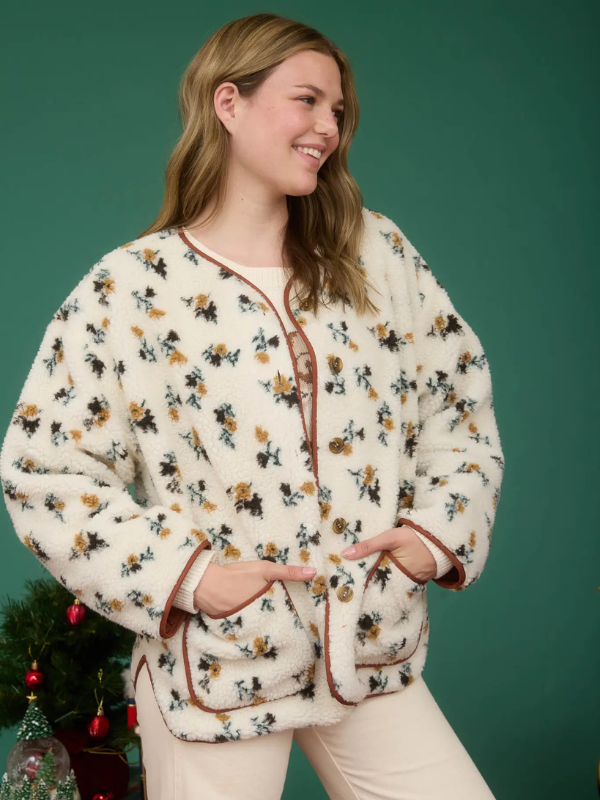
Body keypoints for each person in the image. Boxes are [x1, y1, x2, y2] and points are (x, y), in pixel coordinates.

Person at [0, 12, 505, 800]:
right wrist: (191, 578)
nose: (327, 127)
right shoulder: (132, 289)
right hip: (218, 665)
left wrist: (435, 534)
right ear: (228, 103)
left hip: (368, 646)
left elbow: (459, 401)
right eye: (306, 100)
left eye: (338, 110)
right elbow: (44, 470)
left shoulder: (377, 257)